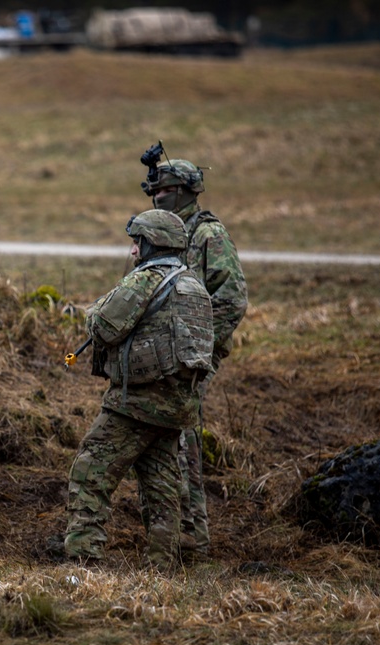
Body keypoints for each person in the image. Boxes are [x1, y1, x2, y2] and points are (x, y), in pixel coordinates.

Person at [64, 209, 213, 568]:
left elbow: (103, 327)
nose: (132, 251)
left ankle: (83, 558)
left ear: (151, 244)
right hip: (178, 406)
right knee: (161, 484)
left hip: (137, 403)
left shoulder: (145, 280)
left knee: (90, 469)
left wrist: (92, 309)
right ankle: (163, 565)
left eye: (137, 242)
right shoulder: (193, 285)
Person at [142, 156, 248, 557]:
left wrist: (199, 350)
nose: (157, 196)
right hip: (158, 362)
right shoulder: (161, 233)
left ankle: (191, 542)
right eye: (154, 190)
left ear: (186, 191)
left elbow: (232, 298)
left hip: (187, 363)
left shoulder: (206, 235)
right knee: (164, 444)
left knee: (183, 446)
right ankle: (171, 535)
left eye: (164, 190)